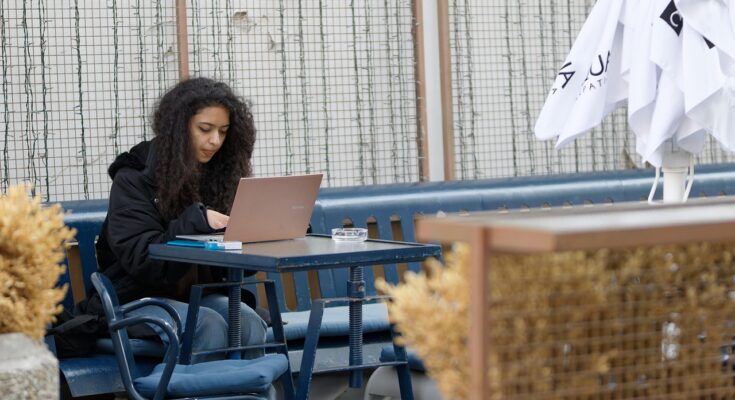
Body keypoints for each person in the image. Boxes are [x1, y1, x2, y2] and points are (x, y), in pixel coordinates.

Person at [92, 77, 266, 361]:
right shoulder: (133, 179)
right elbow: (142, 260)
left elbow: (234, 265)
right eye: (205, 129)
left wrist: (258, 232)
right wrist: (196, 221)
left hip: (198, 295)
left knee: (246, 321)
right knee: (206, 325)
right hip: (136, 299)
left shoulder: (219, 176)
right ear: (177, 127)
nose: (215, 141)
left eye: (223, 132)